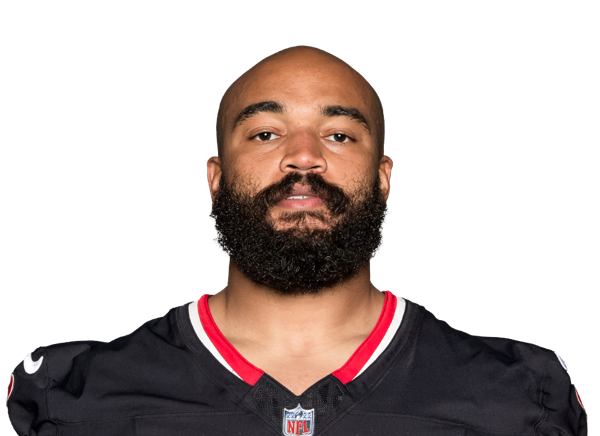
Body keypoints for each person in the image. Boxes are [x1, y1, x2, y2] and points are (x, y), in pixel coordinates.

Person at [7, 46, 587, 435]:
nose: (304, 157)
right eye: (266, 133)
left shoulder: (520, 397)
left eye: (339, 134)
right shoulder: (71, 396)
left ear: (384, 178)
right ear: (216, 179)